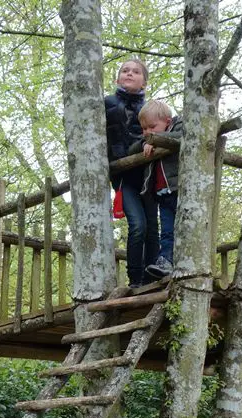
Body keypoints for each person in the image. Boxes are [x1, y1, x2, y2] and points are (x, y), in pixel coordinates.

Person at [104, 59, 158, 287]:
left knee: (152, 227)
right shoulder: (107, 103)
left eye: (136, 72)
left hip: (147, 174)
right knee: (138, 225)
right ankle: (135, 278)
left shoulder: (150, 110)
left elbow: (164, 130)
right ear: (117, 78)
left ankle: (152, 275)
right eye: (125, 71)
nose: (129, 74)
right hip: (124, 176)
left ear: (144, 81)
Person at [132, 100, 183, 279]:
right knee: (167, 231)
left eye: (152, 127)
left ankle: (178, 262)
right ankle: (166, 262)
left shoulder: (180, 126)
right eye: (144, 129)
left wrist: (158, 140)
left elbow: (183, 135)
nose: (147, 133)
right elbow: (134, 147)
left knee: (184, 228)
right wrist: (147, 143)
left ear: (168, 121)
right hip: (163, 195)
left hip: (179, 191)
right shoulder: (149, 141)